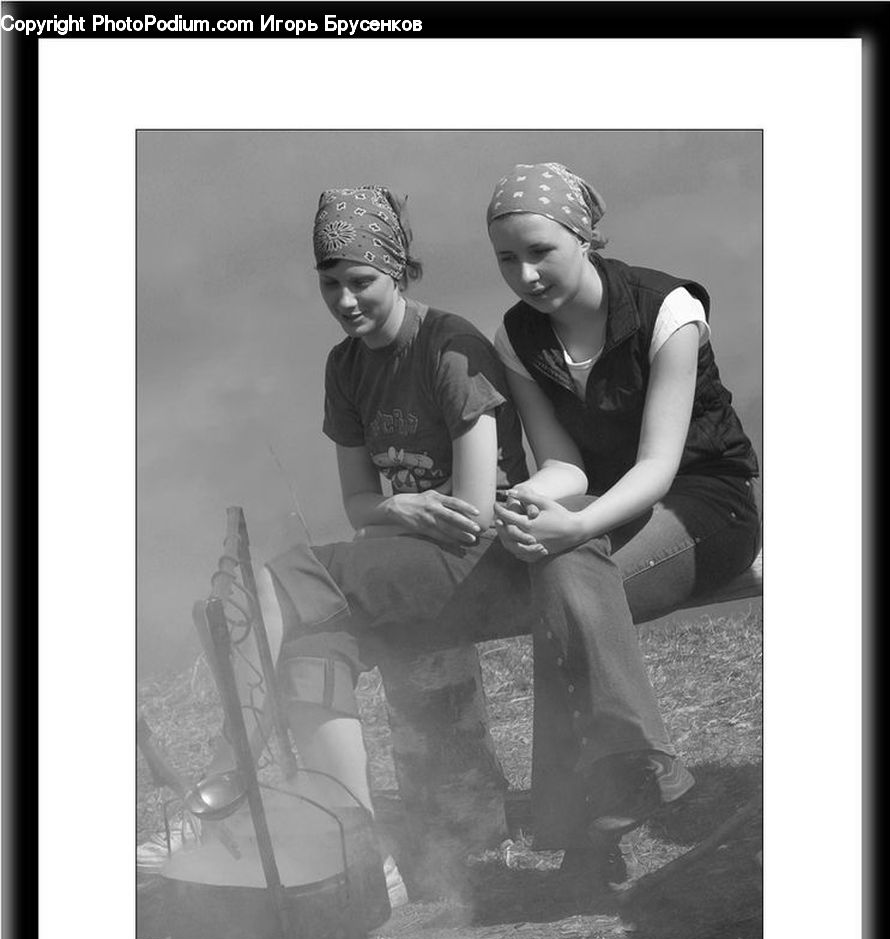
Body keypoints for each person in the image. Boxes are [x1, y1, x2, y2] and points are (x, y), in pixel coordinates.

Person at [215, 184, 530, 898]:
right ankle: (359, 854)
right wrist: (410, 508)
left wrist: (406, 512)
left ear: (399, 269)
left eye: (362, 282)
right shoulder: (345, 367)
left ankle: (233, 760)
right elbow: (360, 503)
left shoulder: (450, 349)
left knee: (283, 574)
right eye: (331, 284)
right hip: (415, 552)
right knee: (311, 640)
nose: (345, 301)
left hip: (484, 559)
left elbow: (476, 510)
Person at [485, 162, 761, 881]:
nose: (526, 274)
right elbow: (565, 463)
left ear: (584, 236)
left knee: (569, 590)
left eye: (541, 250)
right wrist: (528, 502)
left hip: (706, 504)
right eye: (507, 258)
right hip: (612, 508)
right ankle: (623, 783)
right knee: (564, 581)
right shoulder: (518, 337)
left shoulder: (667, 311)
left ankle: (590, 819)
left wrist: (574, 528)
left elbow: (659, 466)